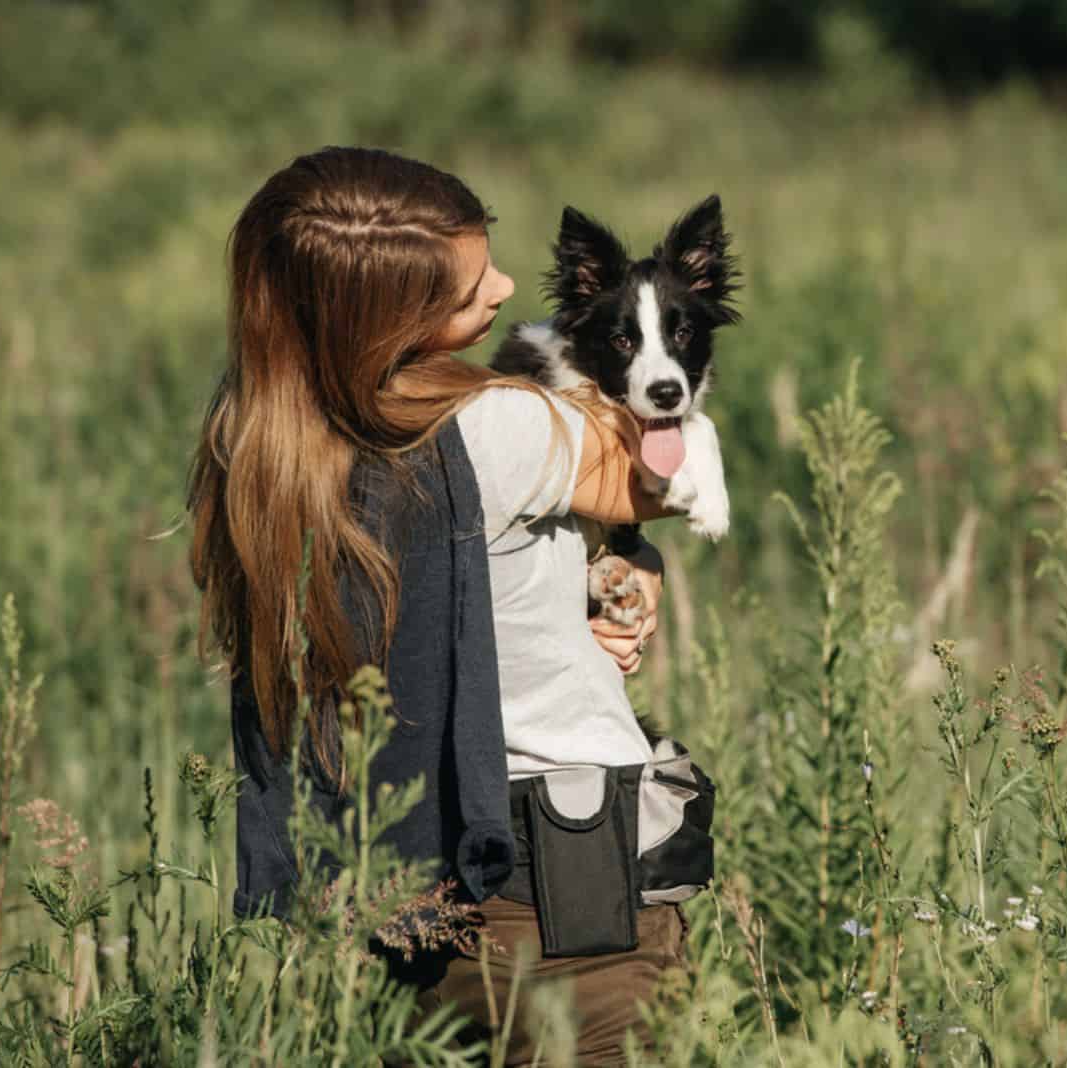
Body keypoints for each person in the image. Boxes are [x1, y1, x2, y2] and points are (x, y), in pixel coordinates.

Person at [186, 146, 686, 1065]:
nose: (503, 289)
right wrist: (636, 544)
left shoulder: (249, 444)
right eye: (466, 293)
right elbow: (659, 480)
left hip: (384, 900)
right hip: (559, 894)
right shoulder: (500, 426)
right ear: (382, 322)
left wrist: (613, 563)